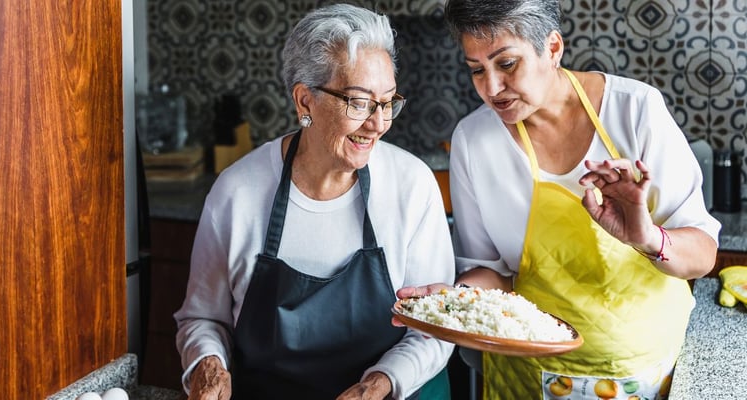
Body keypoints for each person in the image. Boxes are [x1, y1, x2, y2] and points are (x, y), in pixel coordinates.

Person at [398, 0, 722, 398]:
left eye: (507, 64)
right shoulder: (474, 140)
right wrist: (457, 301)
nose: (491, 89)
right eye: (476, 70)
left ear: (552, 48)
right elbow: (489, 272)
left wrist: (648, 238)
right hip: (526, 376)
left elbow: (703, 255)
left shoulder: (635, 110)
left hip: (640, 373)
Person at [173, 4, 456, 400]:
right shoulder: (237, 192)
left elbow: (433, 327)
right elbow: (203, 318)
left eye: (388, 102)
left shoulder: (412, 186)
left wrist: (376, 385)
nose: (378, 123)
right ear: (305, 101)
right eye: (359, 102)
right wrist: (207, 364)